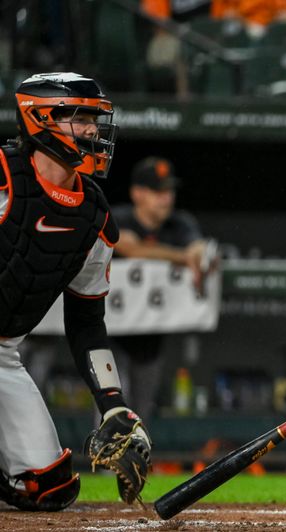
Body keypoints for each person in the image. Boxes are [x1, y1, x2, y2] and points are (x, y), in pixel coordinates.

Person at [0, 73, 151, 510]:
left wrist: (114, 406)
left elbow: (87, 322)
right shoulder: (4, 175)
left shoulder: (93, 216)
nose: (91, 130)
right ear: (40, 119)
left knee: (50, 490)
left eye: (93, 119)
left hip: (3, 353)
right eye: (79, 118)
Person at [111, 157, 215, 420]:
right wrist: (181, 257)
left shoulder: (180, 223)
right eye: (158, 192)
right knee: (111, 407)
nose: (166, 198)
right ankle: (104, 462)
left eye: (169, 191)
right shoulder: (119, 216)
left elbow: (199, 250)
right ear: (137, 193)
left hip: (151, 336)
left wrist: (198, 253)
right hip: (109, 333)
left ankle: (134, 460)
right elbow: (130, 248)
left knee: (142, 414)